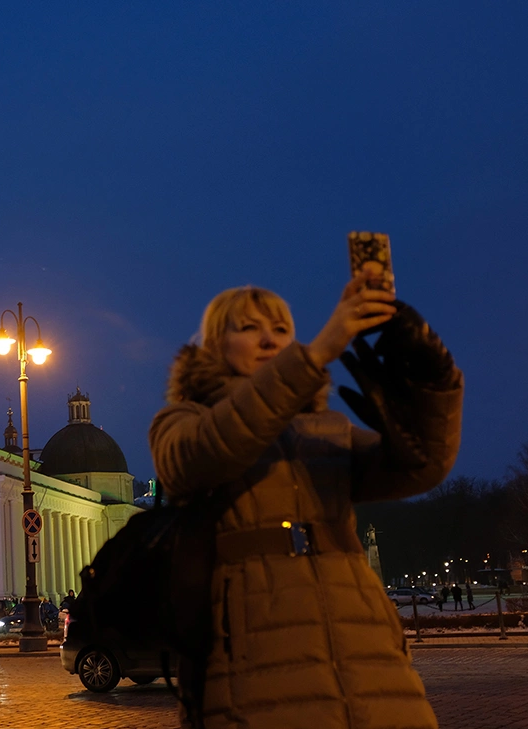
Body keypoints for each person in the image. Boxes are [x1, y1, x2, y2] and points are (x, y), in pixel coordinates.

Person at [150, 276, 462, 729]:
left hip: (366, 651)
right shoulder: (182, 420)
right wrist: (314, 356)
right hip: (255, 653)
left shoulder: (324, 427)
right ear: (215, 344)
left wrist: (436, 389)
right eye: (248, 327)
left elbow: (421, 469)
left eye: (280, 329)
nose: (268, 340)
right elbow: (203, 454)